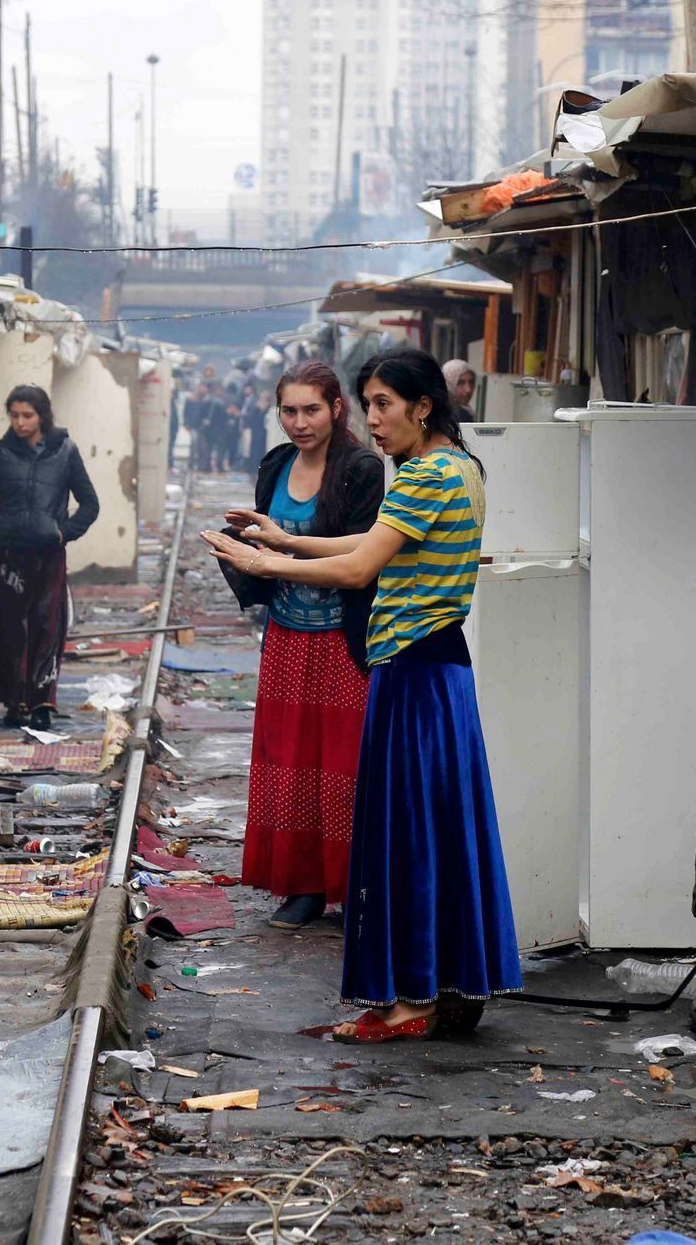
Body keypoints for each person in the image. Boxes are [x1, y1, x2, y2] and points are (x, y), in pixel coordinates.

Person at [205, 347, 520, 1043]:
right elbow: (371, 542)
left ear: (422, 405)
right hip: (441, 672)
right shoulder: (458, 468)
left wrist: (266, 560)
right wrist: (287, 535)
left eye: (382, 403)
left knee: (402, 839)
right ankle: (431, 989)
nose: (372, 420)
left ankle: (408, 1004)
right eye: (368, 404)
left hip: (410, 676)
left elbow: (359, 568)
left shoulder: (421, 477)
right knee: (437, 837)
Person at [215, 362, 384, 930]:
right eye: (289, 411)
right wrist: (244, 546)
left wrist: (283, 546)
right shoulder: (276, 464)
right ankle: (305, 888)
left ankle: (353, 886)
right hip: (286, 640)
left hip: (342, 640)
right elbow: (268, 552)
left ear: (337, 408)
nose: (299, 422)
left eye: (311, 409)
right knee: (289, 765)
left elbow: (362, 552)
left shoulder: (361, 469)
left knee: (344, 767)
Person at [0, 385, 99, 729]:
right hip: (10, 555)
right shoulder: (3, 454)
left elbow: (90, 504)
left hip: (49, 555)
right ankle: (15, 703)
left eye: (26, 415)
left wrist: (64, 533)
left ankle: (41, 705)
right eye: (14, 415)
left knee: (47, 627)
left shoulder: (66, 452)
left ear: (42, 416)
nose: (19, 422)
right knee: (10, 628)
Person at [242, 386, 272, 472]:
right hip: (255, 435)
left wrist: (264, 410)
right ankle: (252, 471)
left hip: (265, 436)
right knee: (254, 454)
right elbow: (250, 419)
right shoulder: (255, 410)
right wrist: (258, 409)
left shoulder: (270, 410)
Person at [444, 358, 479, 423]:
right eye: (461, 383)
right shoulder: (456, 415)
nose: (468, 389)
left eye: (471, 382)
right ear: (448, 384)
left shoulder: (465, 411)